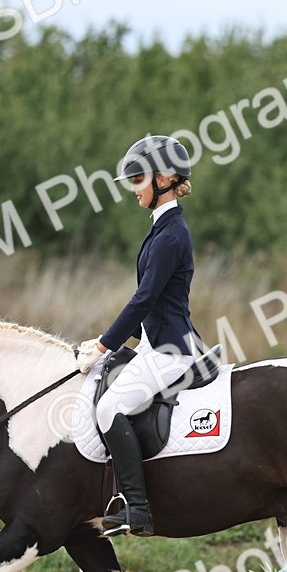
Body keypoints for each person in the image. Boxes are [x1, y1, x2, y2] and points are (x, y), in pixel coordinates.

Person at [76, 135, 202, 537]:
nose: (133, 189)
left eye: (138, 180)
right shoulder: (162, 229)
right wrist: (108, 343)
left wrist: (101, 346)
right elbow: (147, 302)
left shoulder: (170, 235)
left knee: (109, 409)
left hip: (170, 350)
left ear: (163, 179)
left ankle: (137, 507)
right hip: (155, 343)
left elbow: (144, 299)